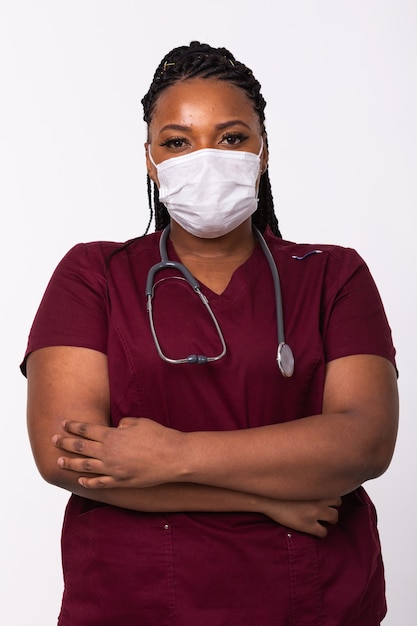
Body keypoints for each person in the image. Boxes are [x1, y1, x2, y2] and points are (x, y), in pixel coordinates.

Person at [21, 41, 398, 625]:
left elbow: (364, 442)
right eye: (177, 142)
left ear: (263, 151)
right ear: (150, 160)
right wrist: (261, 497)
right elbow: (64, 455)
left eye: (231, 138)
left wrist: (171, 453)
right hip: (135, 601)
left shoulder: (333, 274)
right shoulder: (93, 273)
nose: (205, 159)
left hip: (312, 598)